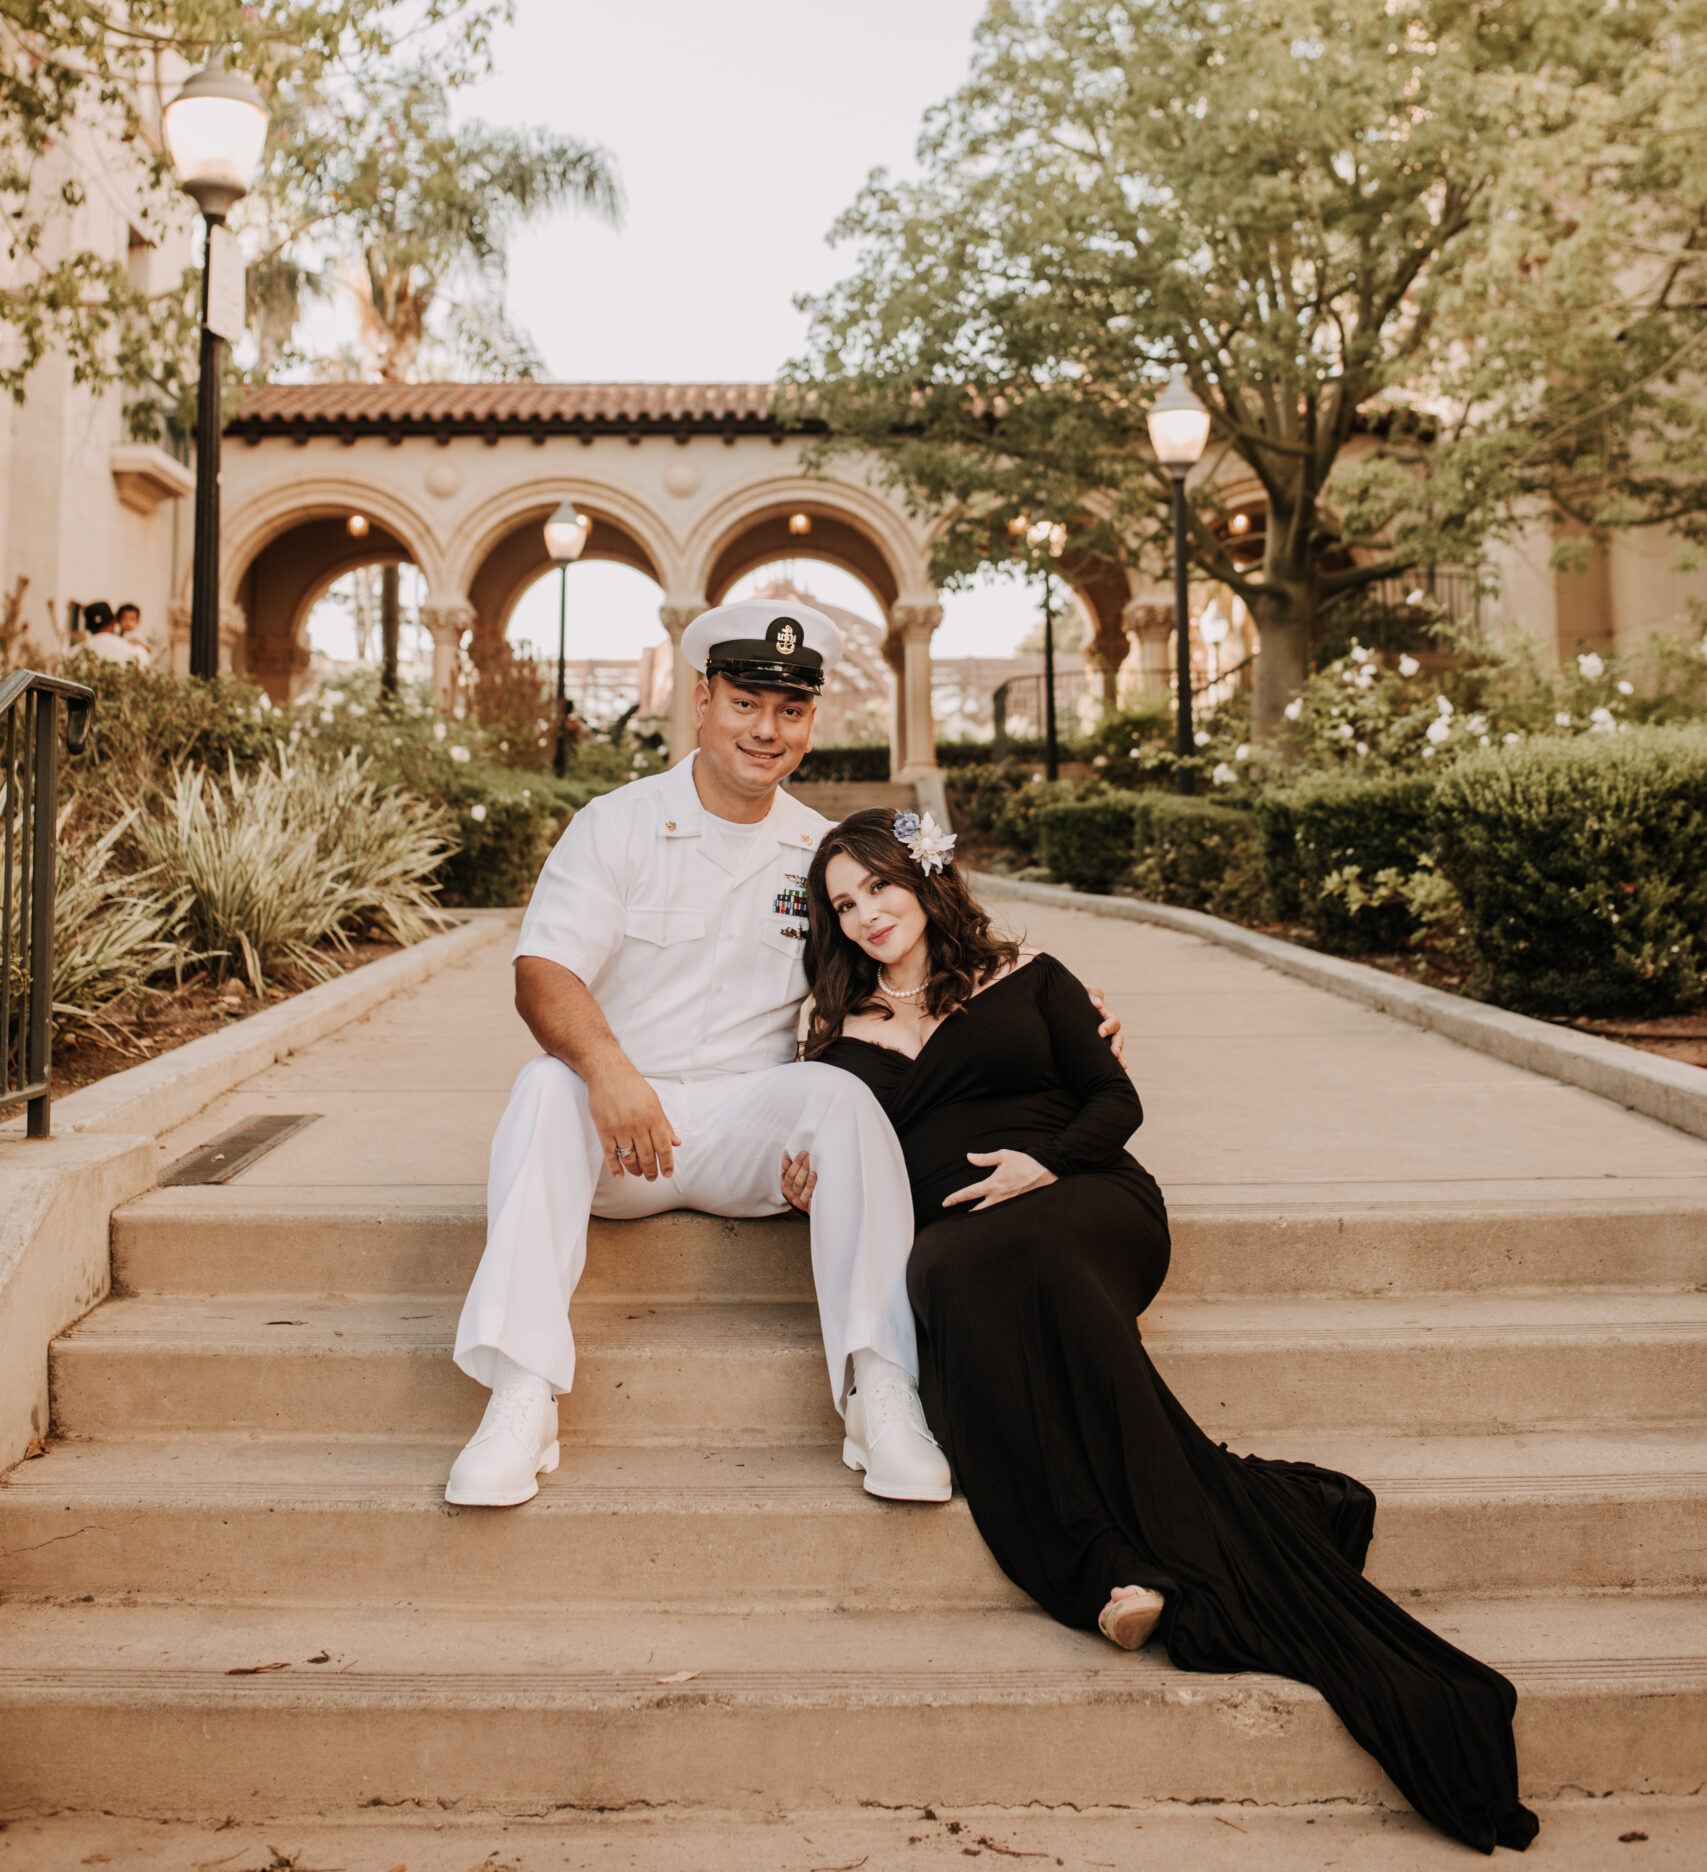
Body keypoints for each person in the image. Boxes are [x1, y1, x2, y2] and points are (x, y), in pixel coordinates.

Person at [788, 806, 1540, 1859]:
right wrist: (799, 1178)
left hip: (1088, 1198)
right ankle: (1119, 1564)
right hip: (959, 1249)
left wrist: (1040, 1166)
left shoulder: (1028, 974)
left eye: (879, 885)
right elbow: (822, 1162)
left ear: (924, 876)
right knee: (955, 1278)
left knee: (1030, 1257)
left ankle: (1136, 1553)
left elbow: (1115, 1099)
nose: (867, 913)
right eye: (844, 903)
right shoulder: (832, 1035)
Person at [445, 598, 954, 1509]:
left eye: (790, 710)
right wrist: (609, 1071)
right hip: (618, 1130)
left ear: (809, 721)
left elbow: (912, 959)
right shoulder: (616, 824)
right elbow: (542, 972)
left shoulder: (816, 850)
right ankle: (521, 1394)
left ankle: (880, 1390)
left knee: (840, 1101)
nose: (767, 730)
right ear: (701, 699)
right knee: (539, 1088)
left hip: (746, 1130)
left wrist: (1038, 1001)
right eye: (747, 703)